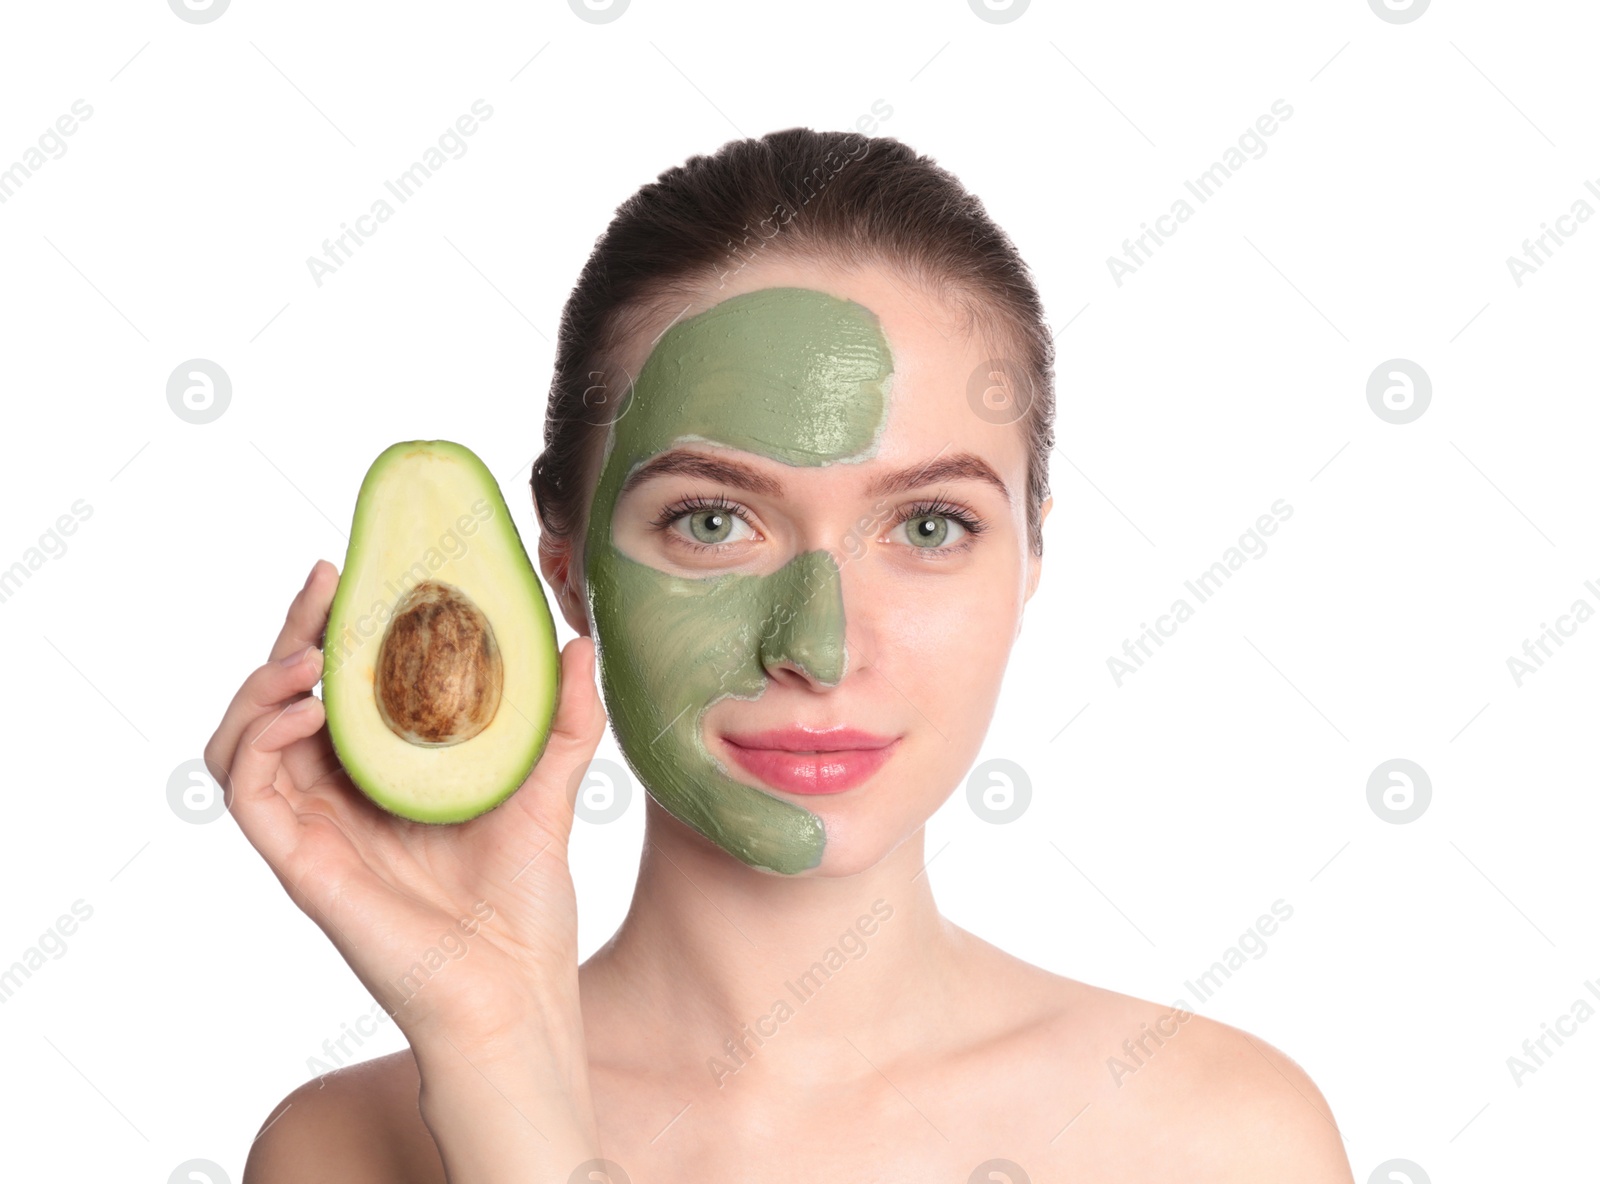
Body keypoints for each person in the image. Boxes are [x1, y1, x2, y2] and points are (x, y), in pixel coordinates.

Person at [214, 128, 1355, 1183]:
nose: (817, 645)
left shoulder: (1217, 1135)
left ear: (1032, 556)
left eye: (928, 525)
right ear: (563, 562)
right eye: (712, 519)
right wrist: (500, 1054)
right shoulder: (344, 1150)